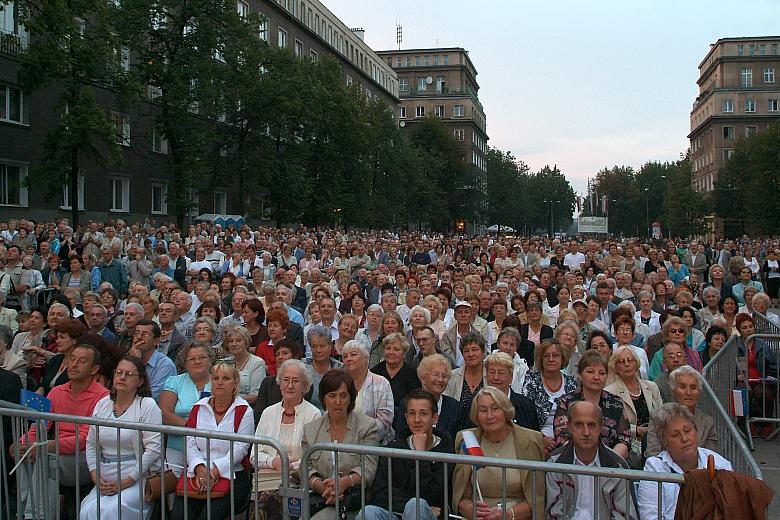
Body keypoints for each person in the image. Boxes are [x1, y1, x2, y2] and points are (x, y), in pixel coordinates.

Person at [16, 344, 110, 520]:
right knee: (25, 454)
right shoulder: (57, 391)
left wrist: (48, 446)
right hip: (54, 453)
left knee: (46, 457)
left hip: (85, 458)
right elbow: (40, 425)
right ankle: (22, 513)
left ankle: (35, 516)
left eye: (81, 361)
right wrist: (22, 443)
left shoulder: (103, 397)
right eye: (71, 359)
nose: (74, 365)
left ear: (94, 369)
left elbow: (85, 438)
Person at [80, 356, 162, 520]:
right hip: (104, 480)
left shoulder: (147, 405)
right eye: (119, 372)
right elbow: (91, 444)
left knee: (113, 510)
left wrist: (127, 482)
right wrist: (96, 478)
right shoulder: (102, 404)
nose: (122, 377)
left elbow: (153, 449)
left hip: (136, 478)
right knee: (88, 510)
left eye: (129, 374)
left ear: (140, 382)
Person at [171, 361, 254, 520]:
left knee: (209, 516)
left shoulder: (244, 410)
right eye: (216, 378)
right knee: (178, 516)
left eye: (226, 378)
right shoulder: (198, 407)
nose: (220, 382)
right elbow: (190, 441)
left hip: (232, 474)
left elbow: (240, 448)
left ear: (235, 383)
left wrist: (215, 470)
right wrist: (199, 467)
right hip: (197, 472)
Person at [452, 386, 545, 519]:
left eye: (495, 408)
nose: (489, 415)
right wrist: (471, 509)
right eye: (483, 410)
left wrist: (508, 515)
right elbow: (460, 495)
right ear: (476, 415)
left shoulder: (531, 440)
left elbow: (537, 498)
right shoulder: (467, 440)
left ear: (506, 411)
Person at [359, 389, 453, 520]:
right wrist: (406, 504)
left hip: (428, 515)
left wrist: (421, 456)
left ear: (435, 418)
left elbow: (431, 495)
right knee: (368, 512)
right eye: (412, 413)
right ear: (406, 417)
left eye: (423, 414)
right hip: (397, 513)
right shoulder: (394, 447)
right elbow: (380, 493)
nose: (417, 420)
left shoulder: (445, 451)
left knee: (416, 506)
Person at [302, 369, 379, 520]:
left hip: (356, 501)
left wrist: (345, 482)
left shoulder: (367, 426)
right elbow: (305, 468)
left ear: (351, 398)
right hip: (321, 499)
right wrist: (323, 487)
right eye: (332, 396)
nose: (338, 401)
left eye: (343, 396)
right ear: (323, 399)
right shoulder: (310, 429)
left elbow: (369, 467)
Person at [251, 359, 321, 518]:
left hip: (297, 479)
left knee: (272, 501)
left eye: (296, 381)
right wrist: (273, 462)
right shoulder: (268, 413)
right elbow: (254, 454)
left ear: (304, 386)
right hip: (266, 479)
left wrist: (289, 466)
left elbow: (313, 457)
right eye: (286, 380)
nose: (290, 385)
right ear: (280, 383)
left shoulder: (314, 414)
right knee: (265, 500)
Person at [545, 401, 639, 520]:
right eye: (579, 424)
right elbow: (554, 514)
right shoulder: (555, 465)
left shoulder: (617, 467)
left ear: (601, 426)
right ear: (569, 426)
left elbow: (625, 515)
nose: (586, 432)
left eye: (591, 425)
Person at [638, 403, 732, 520]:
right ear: (665, 443)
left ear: (696, 432)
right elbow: (650, 516)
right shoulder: (655, 467)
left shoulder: (720, 464)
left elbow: (730, 511)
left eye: (687, 431)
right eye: (675, 435)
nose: (684, 438)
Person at [554, 350, 631, 459]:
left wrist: (605, 461)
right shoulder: (566, 402)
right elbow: (562, 439)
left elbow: (625, 439)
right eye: (590, 372)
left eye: (602, 373)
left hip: (609, 465)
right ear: (580, 375)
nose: (596, 377)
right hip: (574, 463)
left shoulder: (616, 403)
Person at [160, 343, 214, 477]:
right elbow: (164, 413)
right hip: (178, 445)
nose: (197, 361)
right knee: (174, 487)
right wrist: (192, 427)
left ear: (210, 359)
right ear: (185, 363)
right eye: (192, 359)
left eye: (202, 357)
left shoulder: (219, 381)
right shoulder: (175, 381)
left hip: (211, 446)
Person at [605, 346, 663, 468]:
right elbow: (612, 424)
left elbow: (661, 416)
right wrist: (636, 430)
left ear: (636, 364)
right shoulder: (609, 392)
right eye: (621, 361)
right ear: (615, 367)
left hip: (654, 441)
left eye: (630, 360)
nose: (627, 364)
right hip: (628, 445)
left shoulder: (652, 387)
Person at [521, 339, 578, 455]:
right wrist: (541, 438)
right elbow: (525, 416)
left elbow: (575, 417)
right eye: (546, 356)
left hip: (567, 440)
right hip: (536, 440)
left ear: (562, 358)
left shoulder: (572, 383)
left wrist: (562, 441)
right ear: (541, 360)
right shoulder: (531, 381)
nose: (551, 359)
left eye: (555, 355)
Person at [646, 366, 718, 457]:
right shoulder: (658, 417)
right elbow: (653, 455)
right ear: (673, 390)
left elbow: (711, 458)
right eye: (682, 387)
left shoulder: (708, 422)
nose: (688, 392)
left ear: (699, 392)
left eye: (693, 387)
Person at [342, 340, 395, 444]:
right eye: (345, 356)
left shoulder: (381, 383)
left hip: (373, 446)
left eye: (353, 354)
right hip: (342, 443)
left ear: (366, 358)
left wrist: (358, 437)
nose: (348, 359)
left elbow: (385, 421)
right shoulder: (340, 383)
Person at [734, 313, 777, 422]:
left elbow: (773, 365)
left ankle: (766, 422)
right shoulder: (734, 345)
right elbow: (728, 365)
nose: (748, 330)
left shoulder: (762, 344)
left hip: (760, 380)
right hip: (742, 380)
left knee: (763, 393)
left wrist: (769, 377)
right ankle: (744, 424)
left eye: (750, 326)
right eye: (744, 327)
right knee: (744, 392)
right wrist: (736, 375)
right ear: (739, 330)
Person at [484, 351, 539, 431]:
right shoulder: (476, 404)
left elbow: (534, 439)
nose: (495, 377)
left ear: (511, 377)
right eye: (492, 372)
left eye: (501, 373)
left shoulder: (527, 406)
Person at [371, 332, 420, 418]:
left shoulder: (411, 375)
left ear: (404, 353)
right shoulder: (375, 372)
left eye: (396, 349)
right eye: (388, 348)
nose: (391, 352)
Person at [444, 331, 486, 430]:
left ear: (483, 352)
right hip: (457, 429)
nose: (470, 354)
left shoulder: (491, 375)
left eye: (474, 349)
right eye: (466, 351)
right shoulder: (452, 376)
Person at [127, 319, 177, 400]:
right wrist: (131, 361)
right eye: (136, 334)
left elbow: (151, 397)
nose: (139, 337)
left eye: (145, 334)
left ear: (156, 341)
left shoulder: (165, 365)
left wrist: (136, 365)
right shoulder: (129, 359)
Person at [222, 324, 266, 405]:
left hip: (247, 407)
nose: (234, 344)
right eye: (231, 341)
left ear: (246, 343)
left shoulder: (258, 363)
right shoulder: (224, 363)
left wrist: (227, 399)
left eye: (238, 340)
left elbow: (254, 396)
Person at [255, 306, 288, 375]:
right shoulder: (262, 346)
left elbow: (286, 368)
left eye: (275, 326)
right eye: (269, 326)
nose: (271, 329)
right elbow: (258, 368)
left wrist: (267, 368)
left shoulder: (290, 346)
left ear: (284, 328)